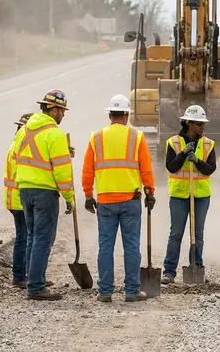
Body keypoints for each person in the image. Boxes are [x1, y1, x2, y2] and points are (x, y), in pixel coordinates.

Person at [82, 94, 155, 302]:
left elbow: (88, 170)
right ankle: (132, 291)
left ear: (110, 116)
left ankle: (105, 292)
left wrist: (88, 195)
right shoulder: (137, 137)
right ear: (127, 115)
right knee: (131, 245)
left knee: (105, 245)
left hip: (105, 200)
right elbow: (146, 169)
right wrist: (150, 192)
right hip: (130, 200)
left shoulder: (96, 138)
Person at [13, 90, 75, 301]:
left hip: (24, 189)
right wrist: (69, 196)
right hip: (44, 192)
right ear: (54, 110)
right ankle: (36, 286)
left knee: (32, 236)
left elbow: (15, 156)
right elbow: (61, 170)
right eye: (62, 111)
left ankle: (33, 278)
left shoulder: (25, 130)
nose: (63, 115)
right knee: (43, 238)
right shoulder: (54, 134)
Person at [161, 104, 217, 284]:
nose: (202, 127)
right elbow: (171, 167)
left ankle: (196, 267)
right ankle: (169, 272)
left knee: (197, 234)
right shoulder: (173, 143)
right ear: (188, 124)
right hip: (179, 195)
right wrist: (184, 154)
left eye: (203, 124)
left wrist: (197, 160)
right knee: (176, 233)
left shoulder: (208, 144)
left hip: (201, 195)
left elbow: (210, 169)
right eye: (199, 124)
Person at [6, 112, 57, 290]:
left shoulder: (19, 146)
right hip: (20, 200)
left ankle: (31, 276)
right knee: (26, 238)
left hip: (21, 199)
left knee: (28, 238)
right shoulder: (17, 149)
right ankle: (23, 276)